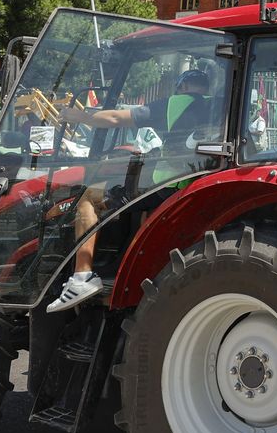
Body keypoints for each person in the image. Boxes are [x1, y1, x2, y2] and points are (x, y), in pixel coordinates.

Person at [48, 68, 215, 312]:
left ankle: (81, 277)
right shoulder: (218, 106)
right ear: (206, 88)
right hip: (199, 183)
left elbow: (115, 118)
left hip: (168, 185)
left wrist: (79, 116)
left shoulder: (173, 104)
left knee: (89, 199)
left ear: (181, 87)